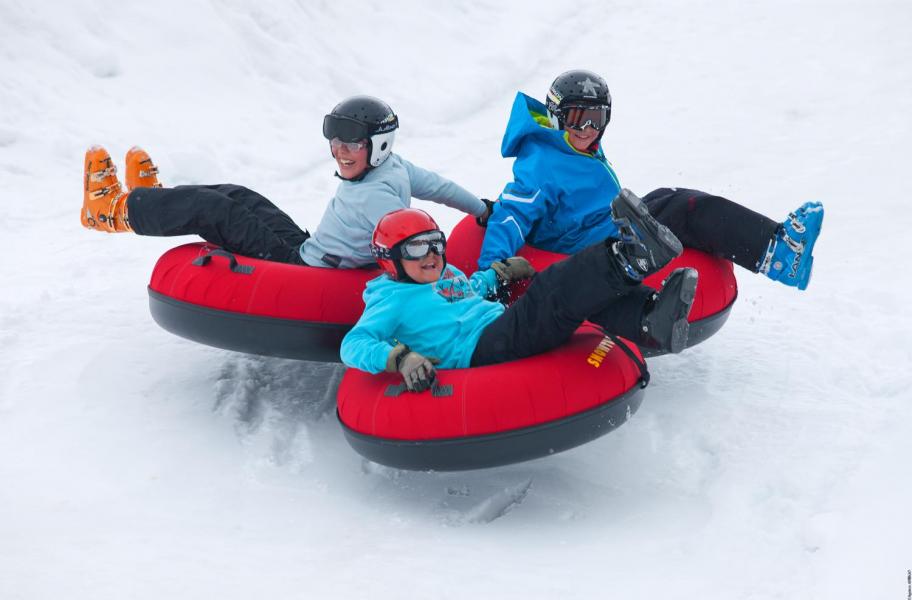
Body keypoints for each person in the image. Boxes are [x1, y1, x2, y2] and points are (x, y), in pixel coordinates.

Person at [478, 70, 824, 290]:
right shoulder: (542, 163)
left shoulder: (569, 147)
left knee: (665, 196)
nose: (588, 130)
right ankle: (779, 254)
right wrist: (490, 271)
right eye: (577, 119)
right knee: (682, 209)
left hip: (603, 226)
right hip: (587, 247)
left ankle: (773, 246)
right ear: (556, 117)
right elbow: (512, 214)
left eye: (596, 119)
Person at [81, 96, 492, 268]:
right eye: (334, 142)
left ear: (378, 144)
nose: (340, 152)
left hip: (303, 269)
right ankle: (150, 199)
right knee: (240, 196)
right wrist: (480, 208)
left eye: (351, 144)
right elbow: (438, 186)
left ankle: (113, 211)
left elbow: (407, 243)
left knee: (214, 210)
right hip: (305, 246)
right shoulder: (395, 166)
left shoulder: (378, 200)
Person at [341, 203, 697, 392]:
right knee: (552, 291)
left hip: (499, 324)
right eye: (418, 248)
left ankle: (649, 318)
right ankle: (628, 257)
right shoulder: (391, 297)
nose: (432, 254)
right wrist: (400, 358)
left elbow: (470, 291)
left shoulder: (444, 274)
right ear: (391, 258)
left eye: (436, 243)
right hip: (480, 348)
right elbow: (353, 343)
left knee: (576, 300)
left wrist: (498, 274)